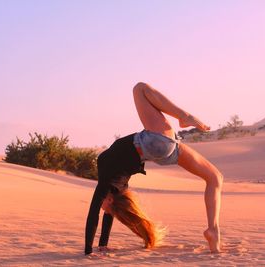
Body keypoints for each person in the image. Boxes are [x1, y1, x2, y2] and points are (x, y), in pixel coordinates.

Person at [85, 82, 223, 255]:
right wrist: (88, 252)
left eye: (103, 207)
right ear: (110, 200)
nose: (101, 206)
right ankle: (184, 116)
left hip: (159, 153)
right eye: (103, 206)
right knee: (139, 88)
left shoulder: (116, 187)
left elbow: (105, 214)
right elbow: (93, 216)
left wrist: (102, 245)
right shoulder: (108, 186)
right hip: (150, 142)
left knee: (215, 177)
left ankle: (213, 230)